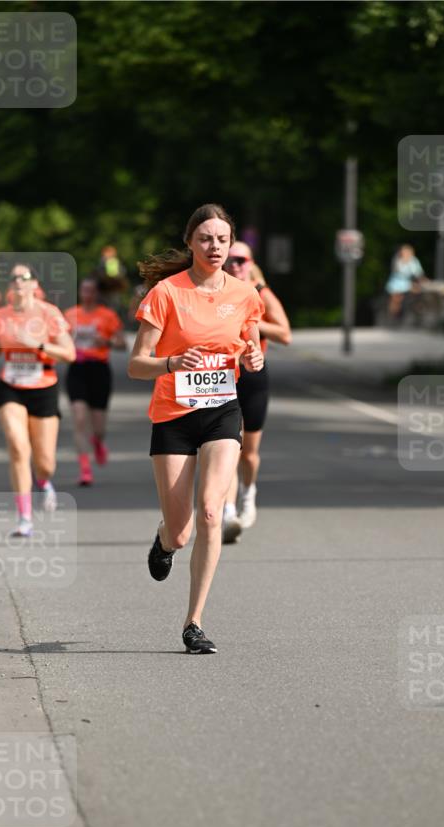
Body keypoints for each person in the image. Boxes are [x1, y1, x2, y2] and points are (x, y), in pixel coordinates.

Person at [128, 203, 264, 654]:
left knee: (211, 512)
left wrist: (253, 359)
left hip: (223, 409)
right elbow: (135, 364)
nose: (215, 246)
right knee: (182, 529)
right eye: (206, 238)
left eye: (223, 239)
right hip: (173, 414)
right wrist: (170, 362)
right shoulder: (167, 293)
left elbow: (252, 348)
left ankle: (194, 622)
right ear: (190, 242)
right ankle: (164, 541)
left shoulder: (245, 294)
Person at [0, 264, 75, 536]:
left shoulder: (49, 313)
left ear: (34, 283)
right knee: (17, 447)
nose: (18, 282)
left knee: (45, 462)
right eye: (14, 278)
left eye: (24, 277)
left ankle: (43, 481)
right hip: (10, 385)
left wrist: (38, 344)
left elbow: (69, 353)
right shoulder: (1, 315)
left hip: (43, 385)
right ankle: (25, 518)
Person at [221, 243, 291, 543]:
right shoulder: (215, 290)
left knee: (248, 453)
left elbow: (285, 334)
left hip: (252, 376)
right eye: (230, 259)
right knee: (226, 448)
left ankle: (248, 494)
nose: (235, 264)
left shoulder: (260, 293)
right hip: (222, 375)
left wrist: (250, 320)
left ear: (249, 263)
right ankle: (226, 512)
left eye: (241, 260)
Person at [64, 278, 126, 485]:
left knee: (98, 428)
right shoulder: (70, 315)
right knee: (80, 419)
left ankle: (98, 442)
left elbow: (122, 343)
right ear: (80, 292)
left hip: (99, 370)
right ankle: (85, 469)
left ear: (97, 293)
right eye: (84, 289)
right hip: (77, 369)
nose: (87, 294)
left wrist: (106, 341)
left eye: (91, 290)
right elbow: (59, 340)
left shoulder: (107, 316)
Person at [385, 244, 425, 319]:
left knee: (419, 291)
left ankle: (417, 308)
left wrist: (421, 281)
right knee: (396, 297)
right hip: (397, 282)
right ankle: (393, 314)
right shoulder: (397, 260)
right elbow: (398, 272)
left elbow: (418, 273)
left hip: (408, 282)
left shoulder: (414, 260)